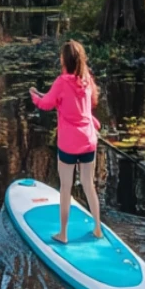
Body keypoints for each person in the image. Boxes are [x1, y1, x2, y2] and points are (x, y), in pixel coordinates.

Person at [29, 40, 103, 244]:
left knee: (66, 187)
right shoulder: (87, 80)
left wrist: (34, 97)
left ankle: (63, 234)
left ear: (64, 60)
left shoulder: (62, 82)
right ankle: (97, 228)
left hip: (69, 144)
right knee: (89, 185)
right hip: (88, 140)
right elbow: (84, 109)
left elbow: (46, 104)